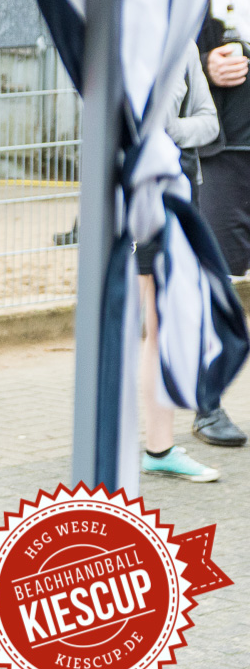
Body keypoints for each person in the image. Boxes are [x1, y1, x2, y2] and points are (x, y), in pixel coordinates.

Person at [139, 52, 223, 481]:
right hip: (137, 193)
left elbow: (209, 122)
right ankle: (154, 446)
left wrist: (168, 131)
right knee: (153, 323)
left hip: (175, 194)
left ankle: (159, 445)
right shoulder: (124, 38)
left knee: (163, 323)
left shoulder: (183, 44)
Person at [193, 0, 250, 448]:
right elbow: (176, 54)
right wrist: (208, 64)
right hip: (227, 152)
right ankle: (208, 406)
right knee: (220, 284)